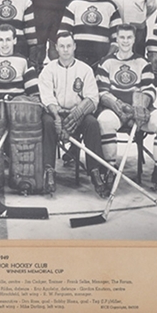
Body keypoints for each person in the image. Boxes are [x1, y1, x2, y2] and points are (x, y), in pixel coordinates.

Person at [39, 31, 108, 198]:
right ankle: (49, 171)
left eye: (69, 46)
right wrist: (56, 117)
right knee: (46, 123)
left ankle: (95, 171)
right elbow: (46, 96)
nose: (65, 50)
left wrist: (77, 114)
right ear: (56, 48)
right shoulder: (48, 70)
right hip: (56, 112)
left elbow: (93, 98)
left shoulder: (84, 69)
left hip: (78, 114)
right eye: (61, 46)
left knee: (92, 123)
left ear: (74, 46)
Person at [94, 23, 157, 170]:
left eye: (129, 37)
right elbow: (102, 91)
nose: (125, 41)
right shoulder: (106, 62)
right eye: (122, 37)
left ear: (134, 39)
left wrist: (140, 106)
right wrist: (117, 105)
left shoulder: (143, 62)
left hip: (139, 110)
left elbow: (150, 89)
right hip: (116, 110)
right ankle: (110, 169)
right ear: (117, 38)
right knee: (104, 120)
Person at [60, 0, 122, 66]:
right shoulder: (74, 5)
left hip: (101, 57)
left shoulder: (110, 6)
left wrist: (106, 59)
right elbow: (64, 33)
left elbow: (118, 38)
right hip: (77, 57)